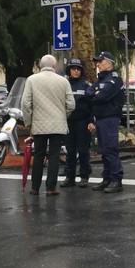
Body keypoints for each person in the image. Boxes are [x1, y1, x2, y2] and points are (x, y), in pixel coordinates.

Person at [21, 54, 75, 195]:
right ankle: (51, 188)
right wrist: (63, 116)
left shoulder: (32, 80)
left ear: (40, 65)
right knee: (54, 155)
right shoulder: (63, 81)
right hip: (58, 124)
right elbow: (71, 104)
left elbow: (26, 103)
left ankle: (35, 188)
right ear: (54, 66)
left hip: (39, 124)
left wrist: (28, 122)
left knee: (39, 155)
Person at [88, 51, 125, 193]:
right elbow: (88, 93)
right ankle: (107, 178)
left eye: (100, 61)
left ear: (109, 63)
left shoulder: (115, 79)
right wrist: (94, 93)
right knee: (104, 151)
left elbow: (101, 97)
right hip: (101, 118)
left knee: (110, 149)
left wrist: (95, 94)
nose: (97, 64)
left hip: (110, 118)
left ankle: (116, 180)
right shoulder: (101, 79)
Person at [59, 58, 93, 188]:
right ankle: (70, 177)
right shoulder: (64, 84)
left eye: (78, 69)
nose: (76, 71)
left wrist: (91, 121)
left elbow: (92, 105)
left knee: (83, 150)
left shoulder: (86, 85)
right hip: (68, 122)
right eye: (73, 69)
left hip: (82, 121)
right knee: (70, 150)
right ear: (69, 70)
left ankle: (84, 176)